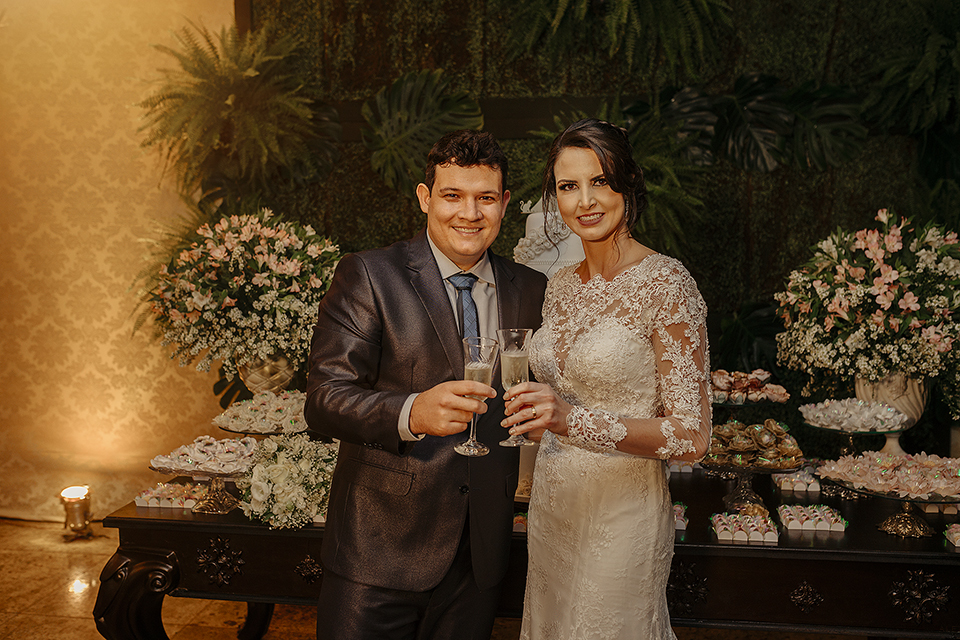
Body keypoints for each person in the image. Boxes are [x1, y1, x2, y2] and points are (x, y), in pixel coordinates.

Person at [304, 129, 548, 640]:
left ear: (504, 203)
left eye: (485, 198)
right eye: (453, 196)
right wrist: (411, 412)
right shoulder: (369, 275)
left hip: (479, 554)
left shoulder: (531, 288)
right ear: (425, 197)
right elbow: (325, 399)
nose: (470, 213)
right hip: (378, 550)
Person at [501, 119, 712, 639]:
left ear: (629, 183)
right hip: (554, 507)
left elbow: (692, 437)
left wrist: (571, 419)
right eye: (568, 186)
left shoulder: (666, 283)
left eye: (601, 181)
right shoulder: (559, 286)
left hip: (623, 516)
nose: (585, 201)